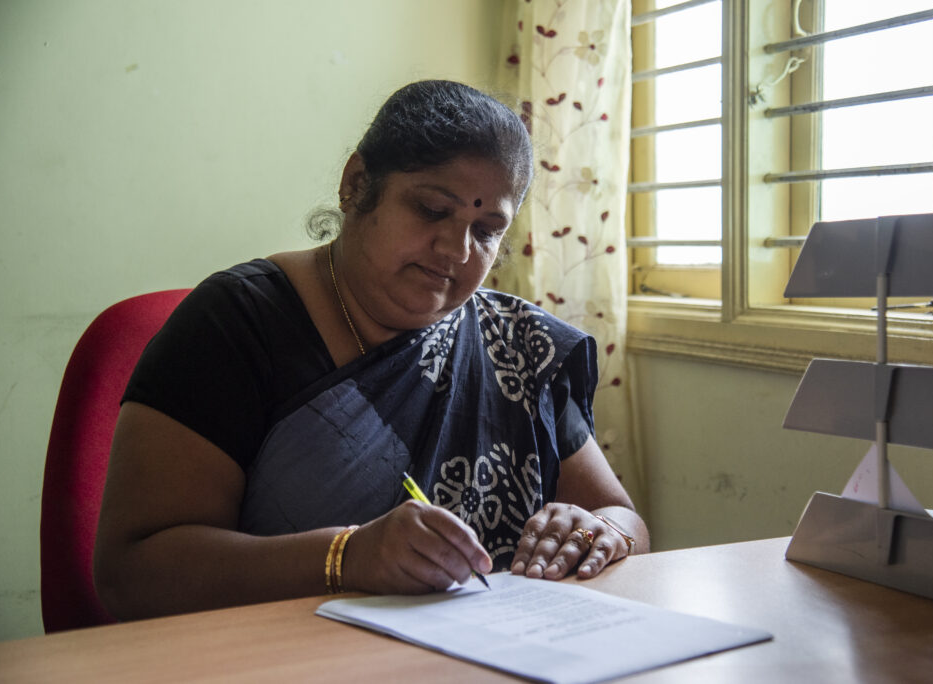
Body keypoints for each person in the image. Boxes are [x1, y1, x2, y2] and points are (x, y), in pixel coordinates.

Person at [94, 79, 648, 620]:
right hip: (276, 657)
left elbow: (622, 518)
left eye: (485, 230)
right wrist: (345, 557)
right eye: (432, 209)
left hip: (494, 653)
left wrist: (598, 531)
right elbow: (133, 572)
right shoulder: (236, 324)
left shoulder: (518, 348)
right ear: (356, 184)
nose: (456, 250)